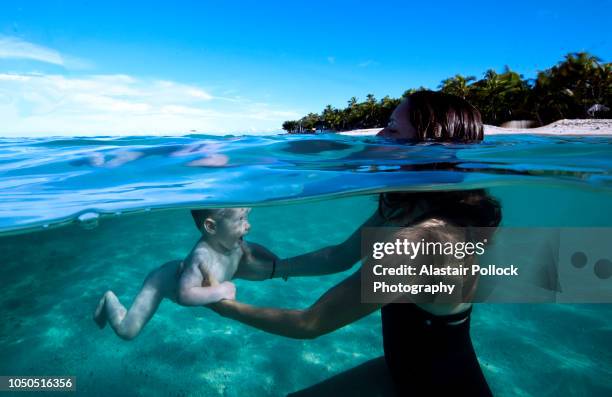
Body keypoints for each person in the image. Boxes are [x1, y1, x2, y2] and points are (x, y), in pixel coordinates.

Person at [207, 91, 502, 396]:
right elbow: (342, 255)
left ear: (429, 147)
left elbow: (310, 323)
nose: (379, 135)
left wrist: (224, 306)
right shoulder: (408, 208)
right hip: (405, 369)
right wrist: (272, 268)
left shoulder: (422, 240)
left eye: (392, 128)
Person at [93, 207, 278, 340]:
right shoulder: (202, 256)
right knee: (127, 332)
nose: (248, 226)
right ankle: (109, 299)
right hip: (160, 282)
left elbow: (252, 249)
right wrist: (221, 290)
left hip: (175, 269)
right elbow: (184, 294)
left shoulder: (235, 244)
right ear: (211, 227)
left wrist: (274, 259)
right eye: (240, 220)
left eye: (247, 217)